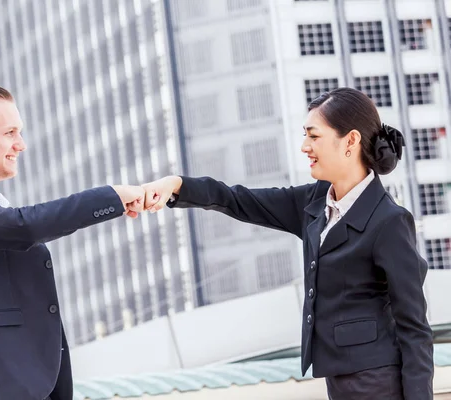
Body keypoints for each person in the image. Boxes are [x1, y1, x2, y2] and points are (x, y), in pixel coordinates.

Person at [142, 88, 434, 399]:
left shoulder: (389, 221)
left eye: (314, 136)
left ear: (350, 141)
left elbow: (414, 329)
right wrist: (177, 186)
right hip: (341, 380)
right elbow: (239, 200)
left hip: (378, 382)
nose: (305, 146)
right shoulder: (314, 202)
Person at [0, 83, 145, 400]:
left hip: (32, 388)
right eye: (10, 133)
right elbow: (22, 227)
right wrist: (111, 198)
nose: (20, 144)